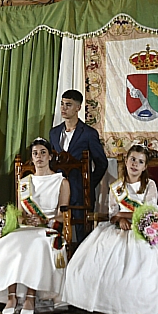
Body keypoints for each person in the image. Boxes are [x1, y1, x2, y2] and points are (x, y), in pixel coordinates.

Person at [62, 144, 158, 314]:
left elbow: (149, 211)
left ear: (145, 167)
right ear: (126, 161)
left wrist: (124, 213)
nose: (135, 164)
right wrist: (119, 218)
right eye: (133, 159)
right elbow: (112, 213)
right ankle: (109, 304)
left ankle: (142, 304)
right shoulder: (117, 187)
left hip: (144, 230)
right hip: (118, 231)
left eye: (140, 162)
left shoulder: (150, 185)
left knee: (143, 265)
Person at [0, 138, 71, 314]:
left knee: (35, 244)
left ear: (50, 156)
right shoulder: (25, 183)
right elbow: (20, 213)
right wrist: (22, 218)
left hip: (47, 228)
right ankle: (11, 296)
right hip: (26, 228)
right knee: (6, 242)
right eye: (35, 153)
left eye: (43, 152)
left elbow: (63, 215)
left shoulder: (61, 182)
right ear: (32, 158)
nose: (39, 157)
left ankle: (30, 296)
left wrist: (44, 220)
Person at [49, 90, 108, 221]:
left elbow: (102, 163)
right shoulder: (54, 133)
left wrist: (89, 183)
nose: (63, 108)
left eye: (68, 105)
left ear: (78, 107)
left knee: (82, 230)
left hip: (80, 191)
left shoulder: (88, 133)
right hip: (57, 190)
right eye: (62, 104)